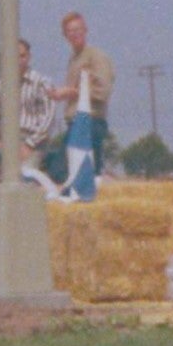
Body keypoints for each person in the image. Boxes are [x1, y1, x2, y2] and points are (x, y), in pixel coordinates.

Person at [0, 38, 66, 191]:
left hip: (32, 143)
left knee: (25, 178)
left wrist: (29, 145)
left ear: (28, 57)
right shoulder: (2, 84)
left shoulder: (41, 82)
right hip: (5, 141)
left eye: (22, 56)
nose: (19, 60)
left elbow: (48, 118)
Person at [52, 11, 115, 203]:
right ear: (65, 35)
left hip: (90, 122)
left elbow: (102, 91)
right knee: (66, 171)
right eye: (70, 31)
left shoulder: (96, 57)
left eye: (78, 29)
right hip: (75, 123)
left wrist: (70, 93)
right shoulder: (74, 59)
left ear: (86, 30)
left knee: (79, 172)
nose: (75, 34)